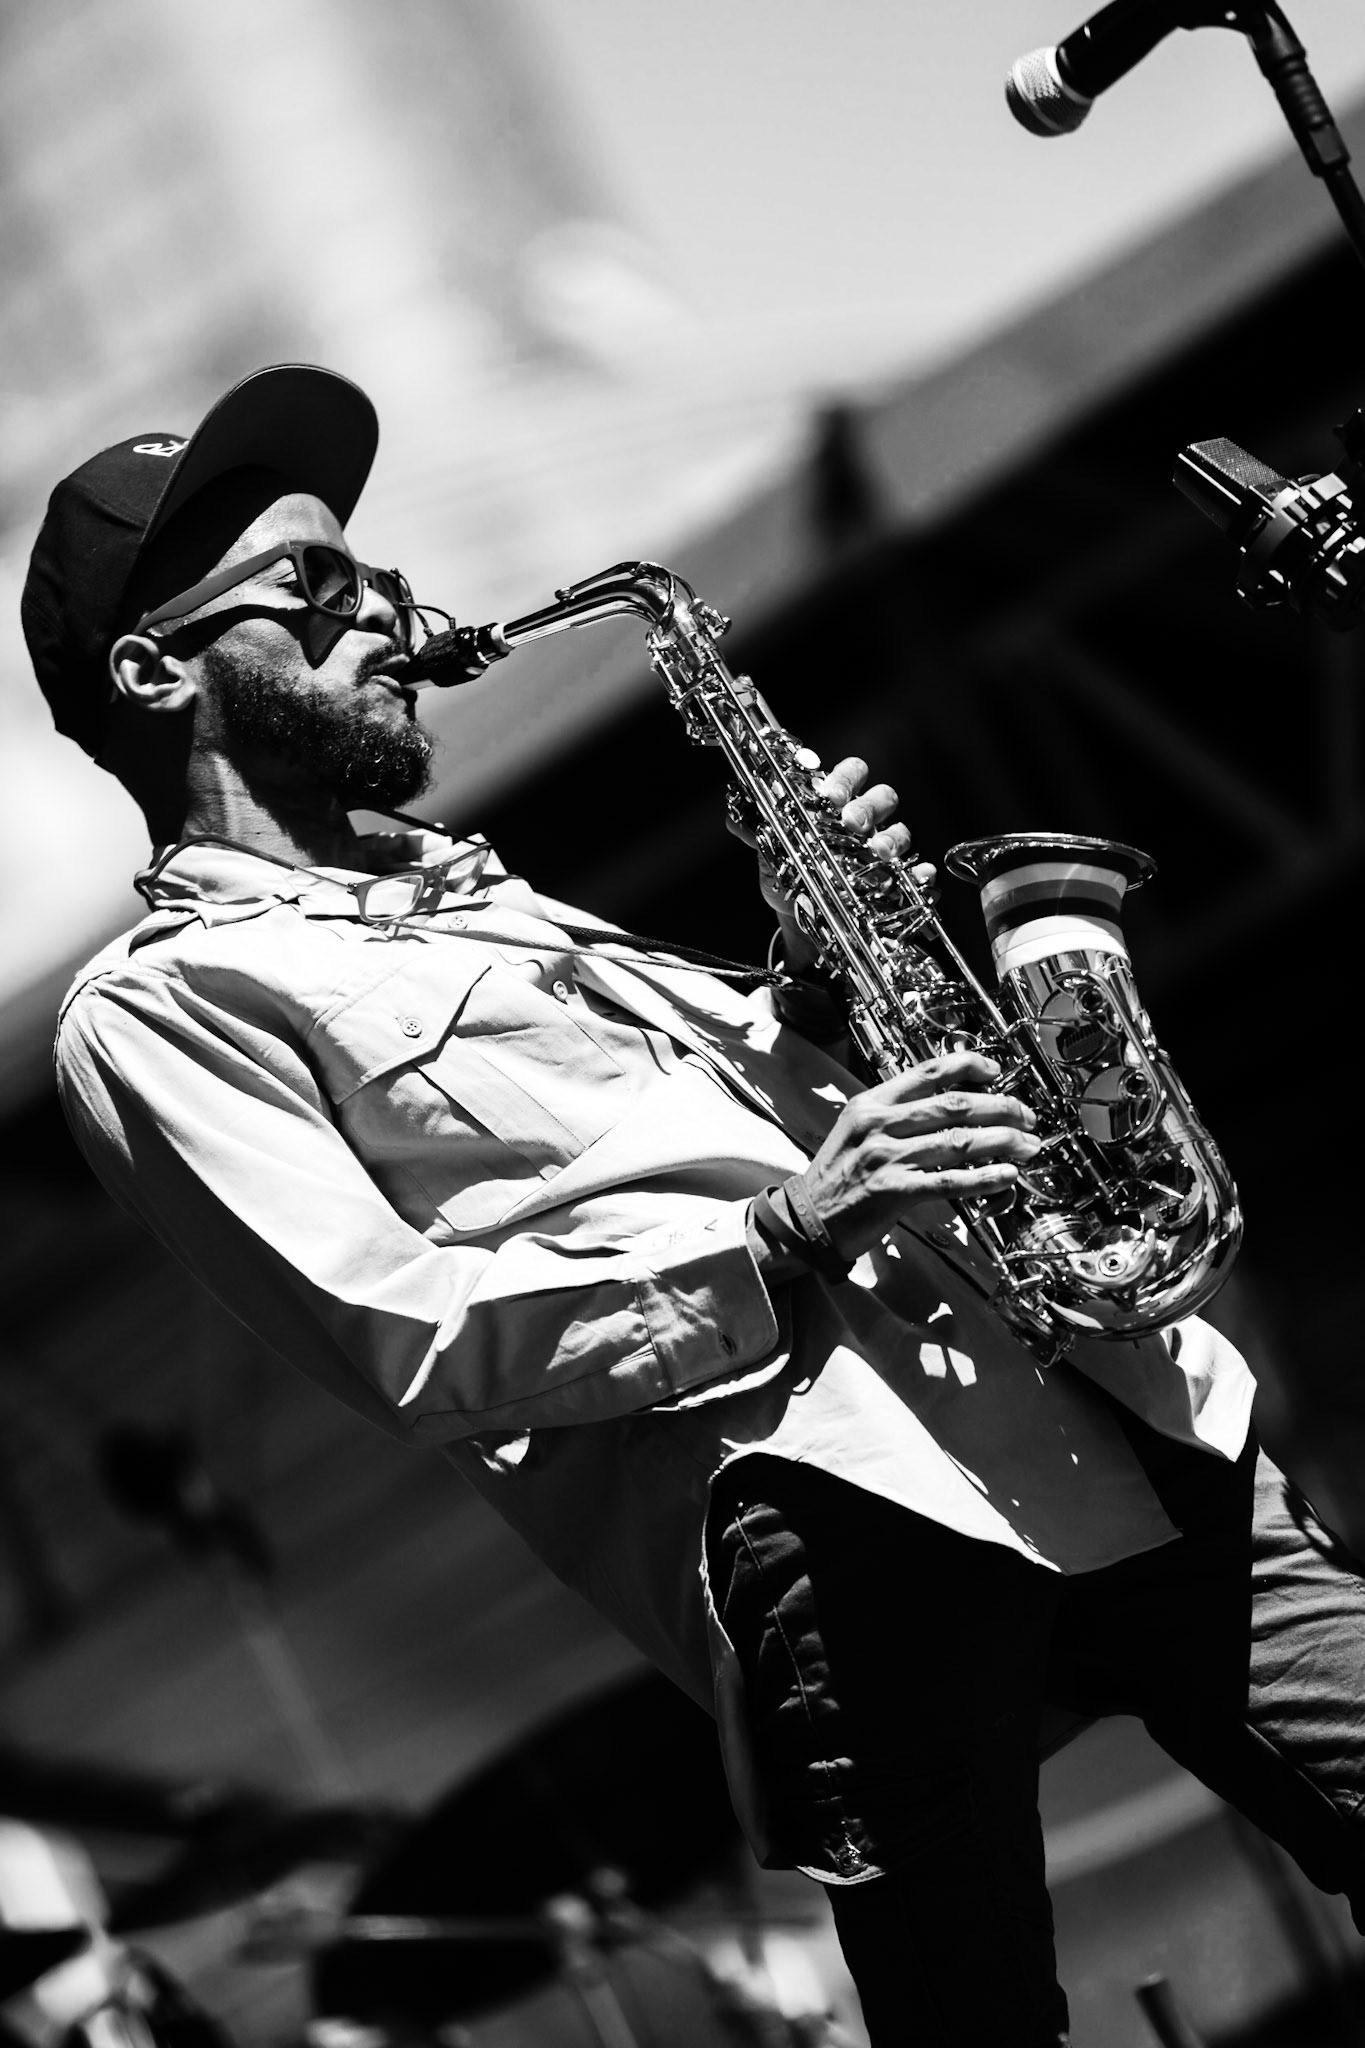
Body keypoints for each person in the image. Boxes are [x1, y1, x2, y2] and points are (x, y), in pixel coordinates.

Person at [24, 364, 1365, 2048]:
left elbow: (733, 1128)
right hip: (839, 1514)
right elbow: (406, 1335)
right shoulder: (161, 1004)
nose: (380, 605)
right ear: (156, 670)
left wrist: (815, 986)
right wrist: (788, 1228)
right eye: (309, 587)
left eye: (368, 570)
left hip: (1098, 1401)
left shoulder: (488, 901)